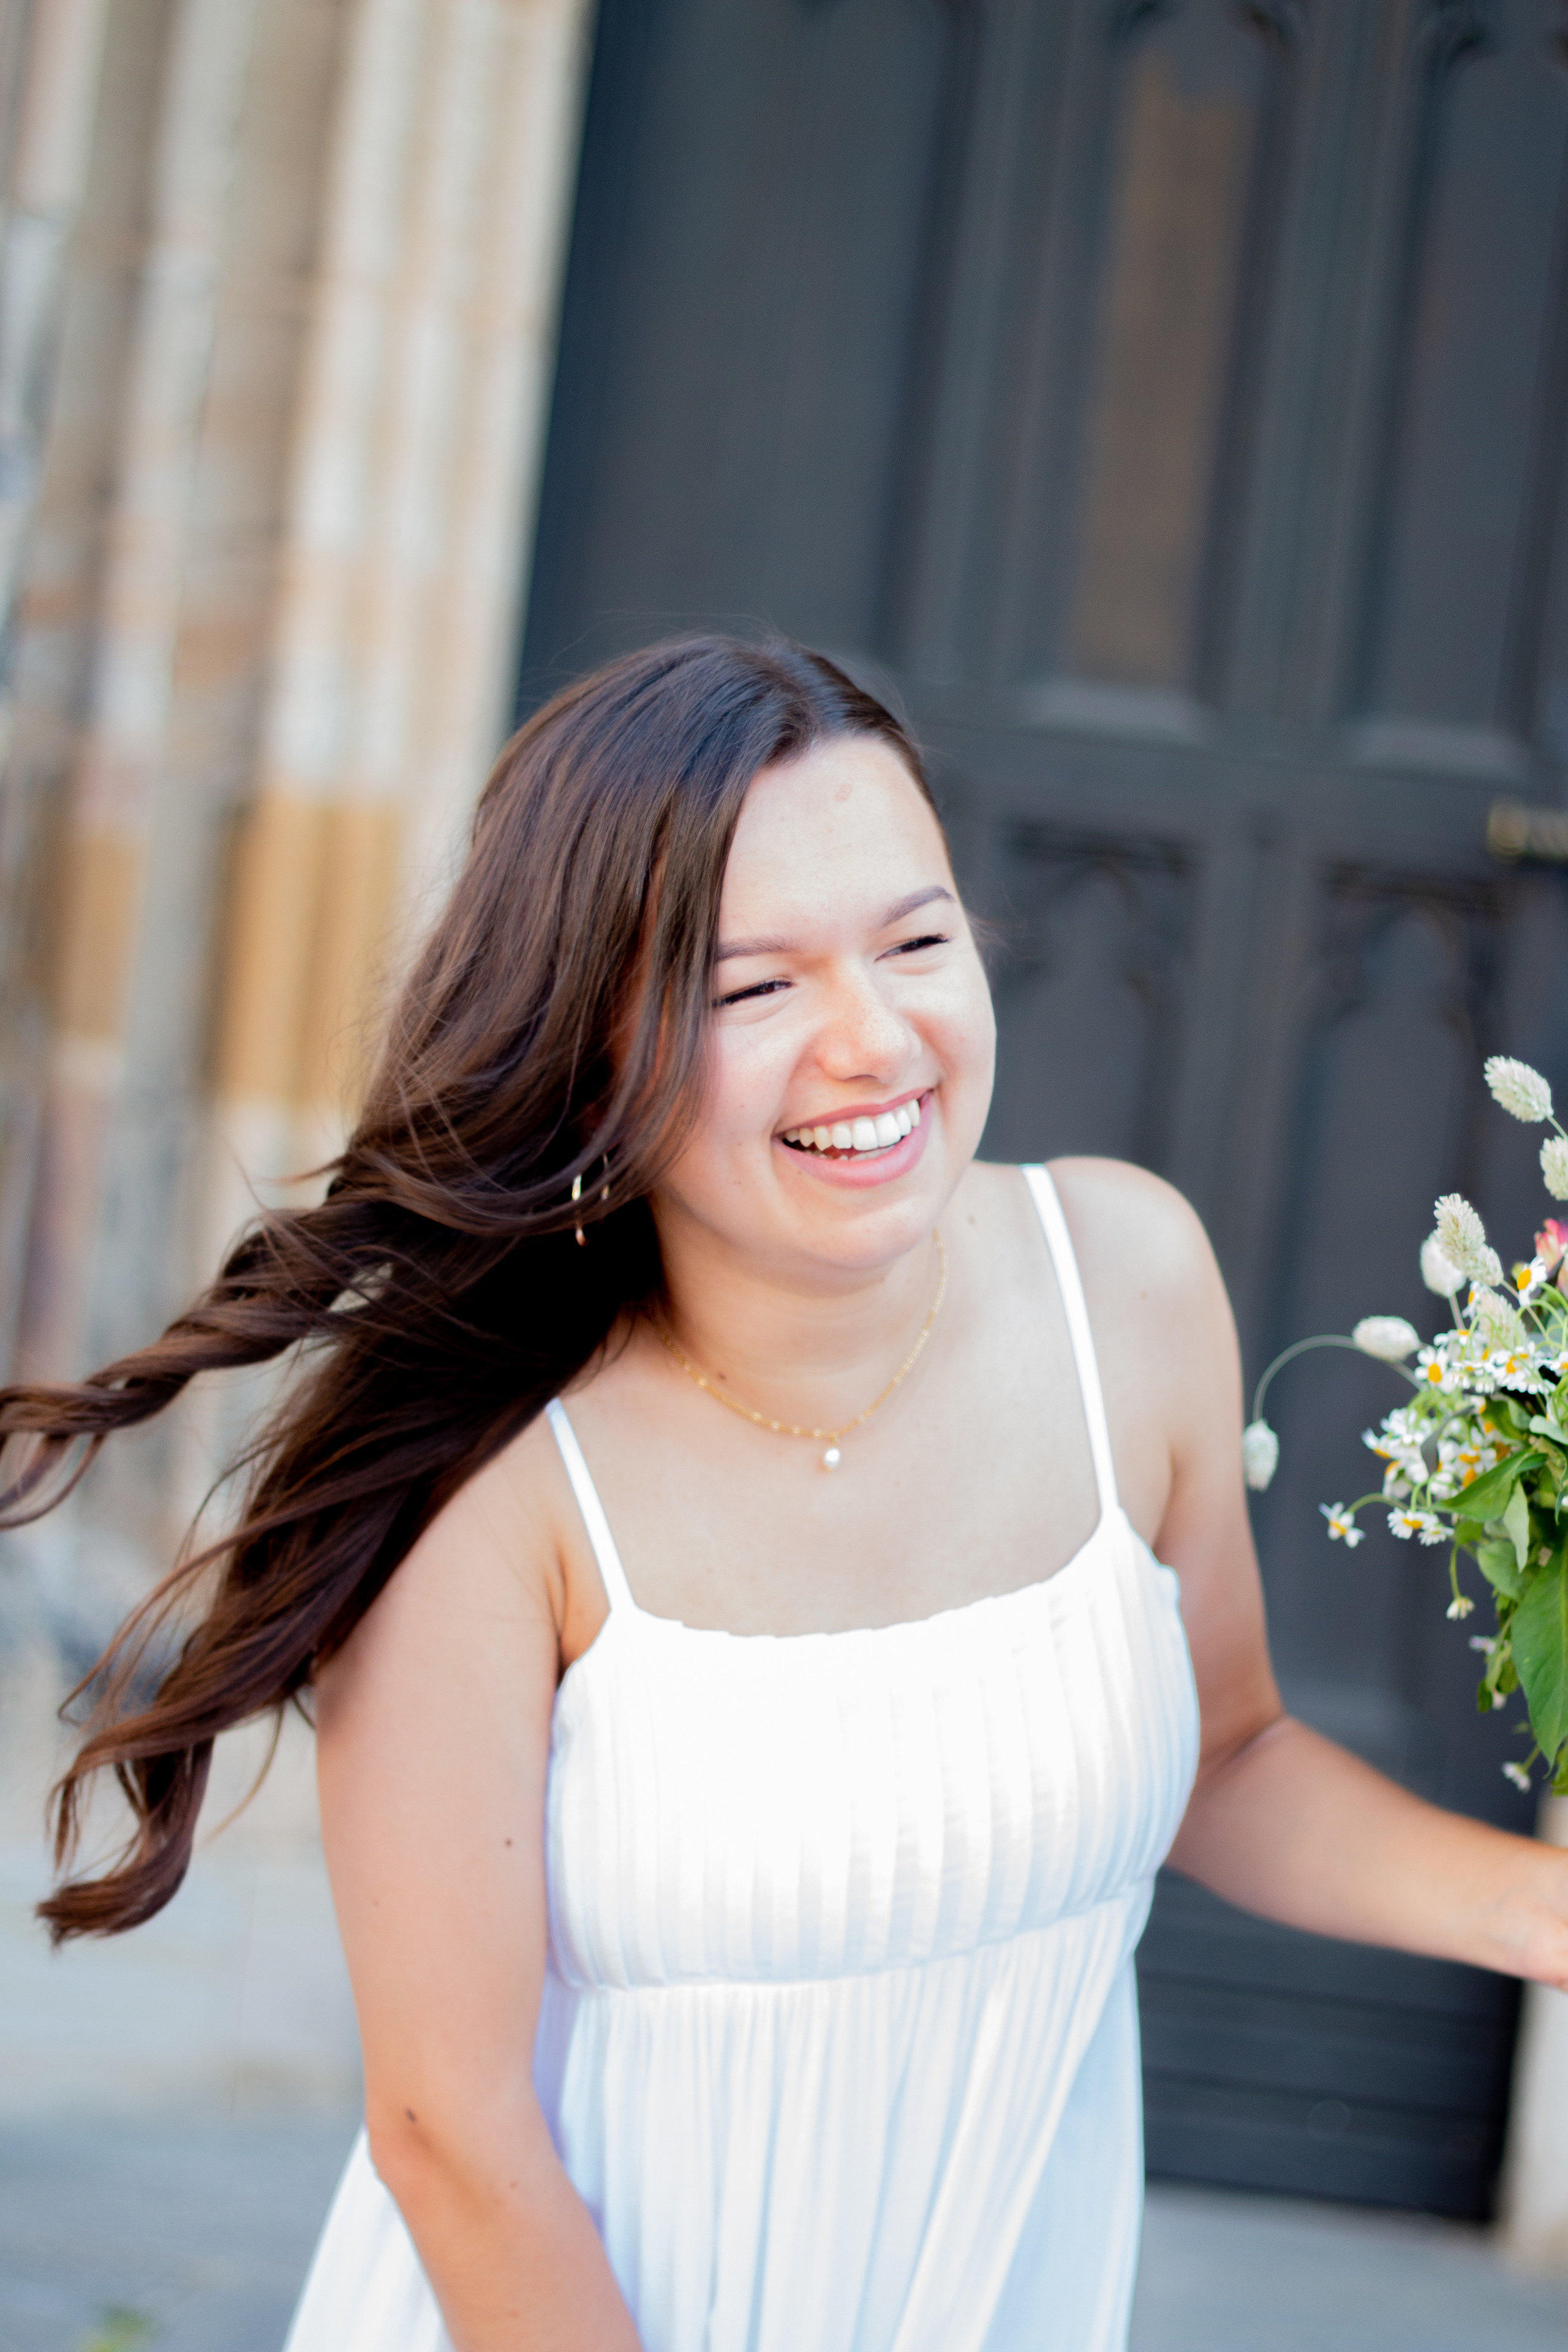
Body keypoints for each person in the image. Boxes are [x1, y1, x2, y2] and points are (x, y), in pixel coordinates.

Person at [5, 637, 1567, 2352]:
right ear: (592, 1050)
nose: (872, 1040)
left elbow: (1231, 1756)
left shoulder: (1125, 1277)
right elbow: (454, 2137)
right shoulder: (494, 1484)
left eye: (917, 938)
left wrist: (1535, 1913)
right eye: (756, 990)